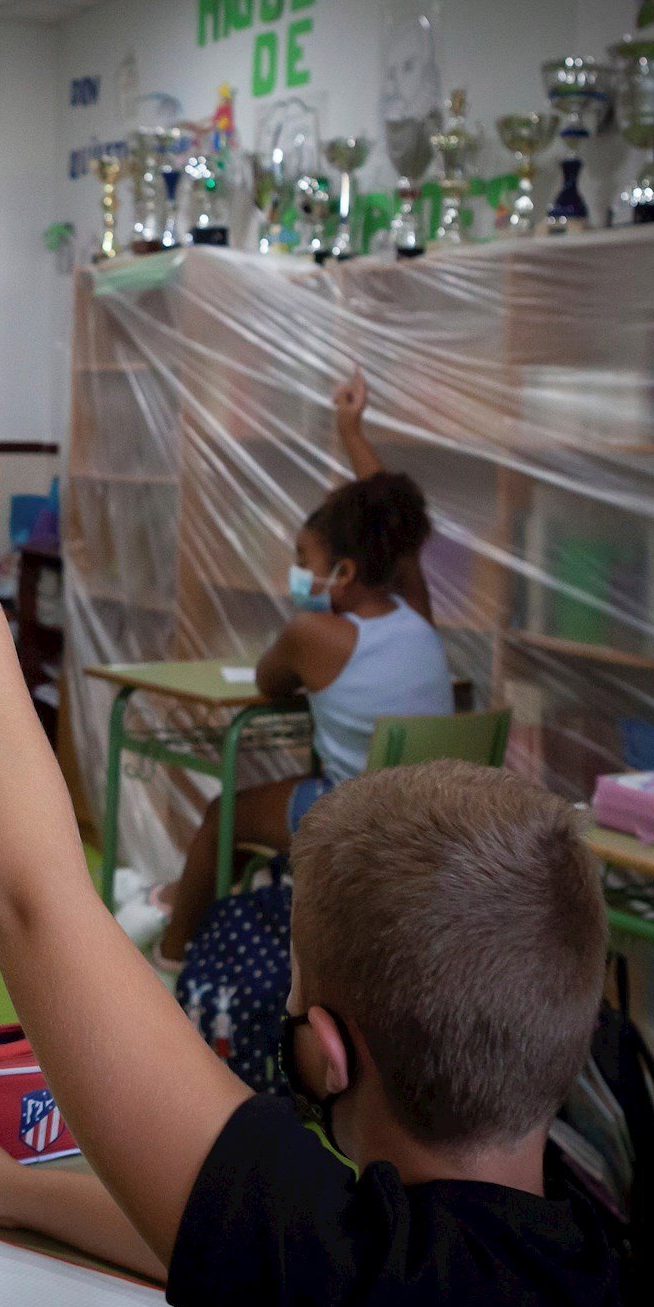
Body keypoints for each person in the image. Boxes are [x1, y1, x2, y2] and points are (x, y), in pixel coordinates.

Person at [0, 393, 639, 1307]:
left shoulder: (354, 1289)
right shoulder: (577, 1241)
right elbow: (220, 1234)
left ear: (322, 1053)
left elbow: (29, 903)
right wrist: (19, 1191)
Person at [153, 369, 450, 970]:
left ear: (341, 573)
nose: (294, 573)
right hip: (433, 819)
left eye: (301, 560)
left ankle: (173, 960)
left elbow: (267, 683)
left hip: (357, 818)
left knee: (222, 815)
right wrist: (351, 430)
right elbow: (388, 517)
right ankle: (208, 926)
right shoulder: (418, 613)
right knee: (251, 818)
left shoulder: (311, 633)